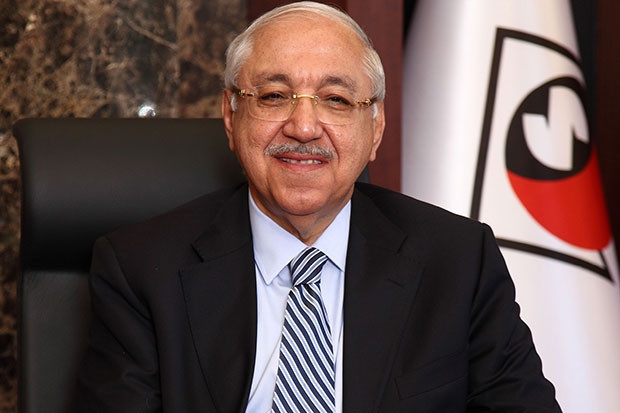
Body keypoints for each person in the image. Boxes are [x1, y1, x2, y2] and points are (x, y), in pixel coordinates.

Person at [75, 2, 562, 412]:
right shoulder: (141, 270)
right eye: (273, 95)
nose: (304, 127)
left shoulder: (457, 262)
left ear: (375, 130)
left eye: (336, 99)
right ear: (230, 115)